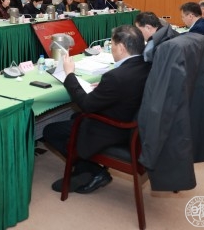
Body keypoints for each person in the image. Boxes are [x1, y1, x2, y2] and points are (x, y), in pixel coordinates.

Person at [43, 25, 151, 194]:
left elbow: (86, 105)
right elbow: (125, 88)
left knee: (51, 130)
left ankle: (93, 171)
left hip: (115, 130)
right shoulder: (146, 65)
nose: (112, 49)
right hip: (134, 124)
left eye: (112, 45)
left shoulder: (115, 77)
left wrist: (69, 75)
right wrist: (104, 88)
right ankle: (86, 169)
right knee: (74, 119)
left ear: (121, 48)